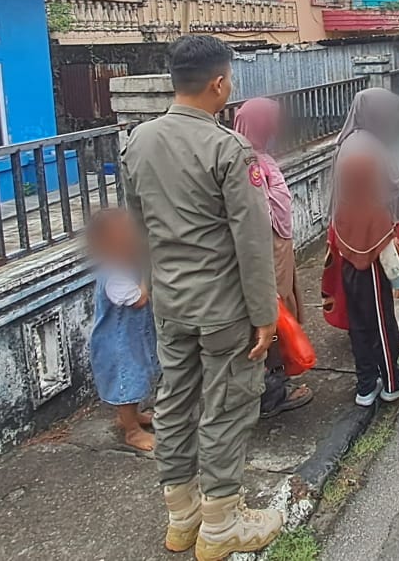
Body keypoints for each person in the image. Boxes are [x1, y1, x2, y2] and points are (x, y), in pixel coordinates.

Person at [121, 35, 282, 559]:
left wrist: (148, 280)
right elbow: (252, 239)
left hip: (171, 305)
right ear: (218, 84)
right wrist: (264, 315)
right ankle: (220, 524)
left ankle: (181, 516)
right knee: (226, 408)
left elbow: (139, 225)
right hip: (223, 309)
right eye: (229, 81)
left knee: (173, 404)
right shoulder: (227, 148)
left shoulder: (138, 142)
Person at [326, 87, 399, 407]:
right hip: (375, 256)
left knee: (359, 323)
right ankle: (391, 381)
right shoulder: (369, 149)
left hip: (348, 246)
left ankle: (365, 385)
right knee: (381, 320)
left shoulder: (349, 144)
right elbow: (391, 193)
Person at [232, 97, 313, 420]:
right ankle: (272, 392)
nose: (277, 126)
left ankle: (277, 380)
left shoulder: (259, 157)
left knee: (283, 311)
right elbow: (254, 215)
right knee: (272, 316)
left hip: (279, 247)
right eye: (271, 121)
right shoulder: (246, 162)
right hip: (267, 251)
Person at [87, 207, 158, 453]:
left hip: (132, 340)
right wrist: (148, 280)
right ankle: (131, 431)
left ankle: (131, 416)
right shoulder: (114, 276)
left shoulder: (128, 266)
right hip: (118, 346)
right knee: (126, 382)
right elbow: (138, 300)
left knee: (136, 380)